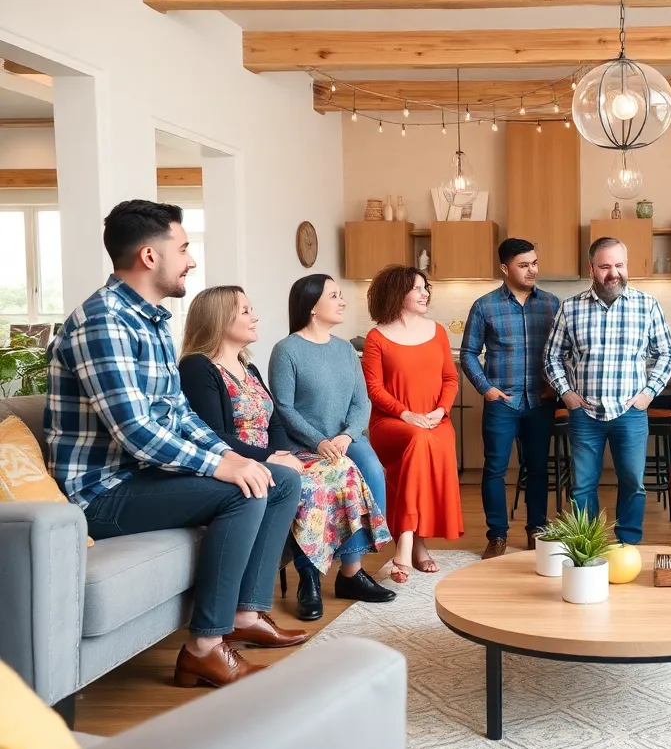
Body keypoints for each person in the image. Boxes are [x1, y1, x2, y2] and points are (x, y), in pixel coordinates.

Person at [45, 200, 307, 689]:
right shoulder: (104, 323)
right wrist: (221, 468)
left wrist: (228, 455)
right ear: (149, 256)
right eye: (183, 248)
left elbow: (178, 414)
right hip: (102, 492)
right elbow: (136, 431)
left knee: (280, 480)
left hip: (142, 475)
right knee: (239, 489)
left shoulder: (153, 321)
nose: (190, 259)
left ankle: (247, 614)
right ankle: (203, 648)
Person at [180, 286, 395, 623]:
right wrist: (271, 458)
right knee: (309, 482)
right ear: (220, 320)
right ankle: (308, 579)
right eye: (246, 311)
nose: (256, 317)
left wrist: (279, 452)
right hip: (237, 463)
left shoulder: (246, 367)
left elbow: (274, 419)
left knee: (346, 469)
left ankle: (349, 573)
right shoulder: (198, 368)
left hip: (269, 456)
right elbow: (213, 436)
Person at [269, 274, 392, 614]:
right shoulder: (287, 350)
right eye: (335, 296)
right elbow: (284, 407)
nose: (342, 301)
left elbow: (361, 401)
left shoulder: (344, 349)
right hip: (304, 444)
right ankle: (309, 578)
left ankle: (350, 572)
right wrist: (320, 441)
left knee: (372, 471)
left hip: (345, 438)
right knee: (318, 491)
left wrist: (347, 435)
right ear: (311, 306)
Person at [543, 237, 671, 545]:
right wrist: (566, 393)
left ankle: (627, 543)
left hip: (630, 412)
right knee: (582, 486)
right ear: (592, 269)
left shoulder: (647, 305)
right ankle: (585, 546)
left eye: (619, 265)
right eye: (605, 266)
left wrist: (648, 393)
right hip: (585, 414)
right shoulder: (571, 308)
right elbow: (551, 356)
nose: (613, 273)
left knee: (633, 483)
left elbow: (667, 353)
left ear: (626, 266)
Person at [460, 238, 560, 559]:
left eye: (534, 263)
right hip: (501, 402)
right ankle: (497, 536)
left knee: (538, 469)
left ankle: (536, 531)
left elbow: (564, 352)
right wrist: (486, 388)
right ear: (505, 268)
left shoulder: (552, 304)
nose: (532, 270)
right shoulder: (484, 306)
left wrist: (555, 387)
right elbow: (469, 353)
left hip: (540, 402)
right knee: (495, 470)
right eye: (523, 265)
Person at [363, 265, 463, 581]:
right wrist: (405, 414)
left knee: (427, 444)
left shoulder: (438, 332)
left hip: (434, 421)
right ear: (398, 294)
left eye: (425, 288)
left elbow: (450, 378)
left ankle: (410, 544)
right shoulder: (376, 338)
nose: (425, 294)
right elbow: (374, 389)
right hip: (392, 423)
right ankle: (409, 544)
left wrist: (441, 411)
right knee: (417, 441)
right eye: (417, 288)